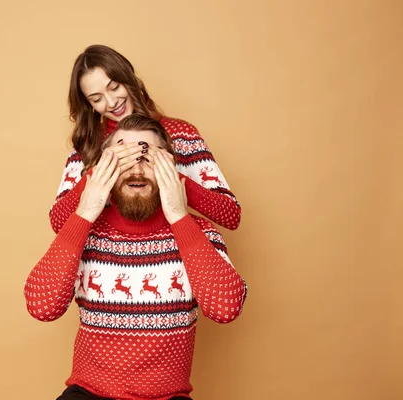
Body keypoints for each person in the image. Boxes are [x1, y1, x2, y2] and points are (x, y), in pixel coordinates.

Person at [25, 115, 247, 400]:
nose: (136, 170)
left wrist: (179, 215)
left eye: (146, 158)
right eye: (122, 159)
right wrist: (85, 212)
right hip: (89, 394)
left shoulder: (200, 232)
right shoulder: (84, 231)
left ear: (169, 168)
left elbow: (225, 309)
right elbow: (41, 307)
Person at [49, 45, 241, 235]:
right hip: (102, 256)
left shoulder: (181, 135)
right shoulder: (88, 144)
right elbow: (58, 222)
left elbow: (231, 215)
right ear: (88, 105)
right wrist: (100, 173)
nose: (112, 102)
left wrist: (167, 174)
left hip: (171, 252)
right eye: (97, 99)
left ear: (129, 79)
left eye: (114, 87)